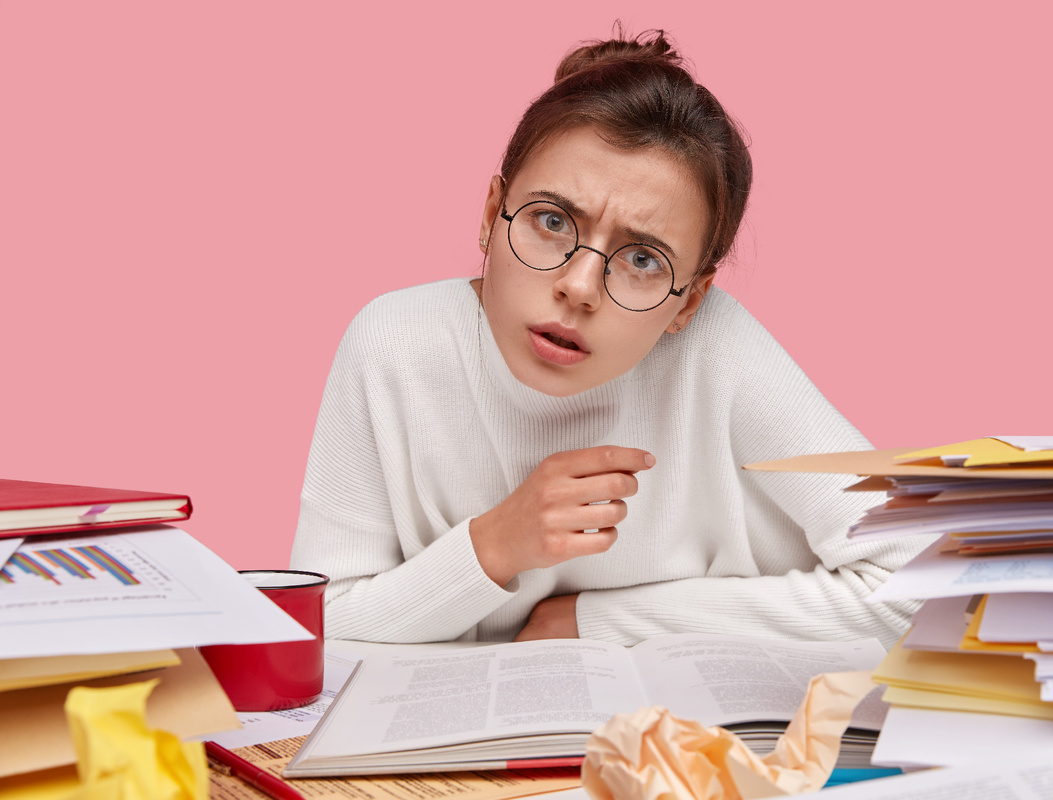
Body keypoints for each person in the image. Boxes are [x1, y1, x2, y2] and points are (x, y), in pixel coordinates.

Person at [290, 29, 931, 647]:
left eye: (644, 259)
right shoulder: (395, 344)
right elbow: (327, 618)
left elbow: (923, 584)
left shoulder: (719, 352)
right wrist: (498, 545)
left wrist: (599, 622)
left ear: (691, 301)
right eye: (551, 220)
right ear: (491, 216)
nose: (579, 286)